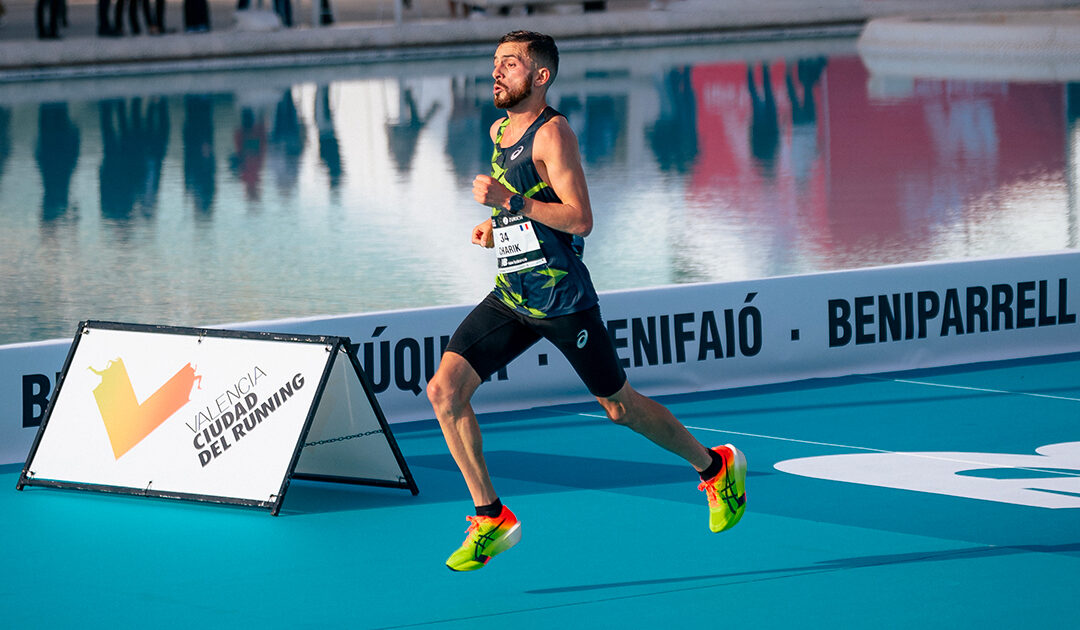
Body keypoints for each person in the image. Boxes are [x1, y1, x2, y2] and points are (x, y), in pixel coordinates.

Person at [427, 30, 748, 573]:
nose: (496, 72)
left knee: (620, 407)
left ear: (541, 76)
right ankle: (491, 517)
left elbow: (579, 219)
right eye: (495, 63)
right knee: (444, 390)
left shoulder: (556, 136)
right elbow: (529, 206)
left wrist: (508, 200)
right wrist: (495, 223)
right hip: (513, 293)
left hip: (562, 299)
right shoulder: (499, 129)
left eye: (509, 64)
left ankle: (714, 467)